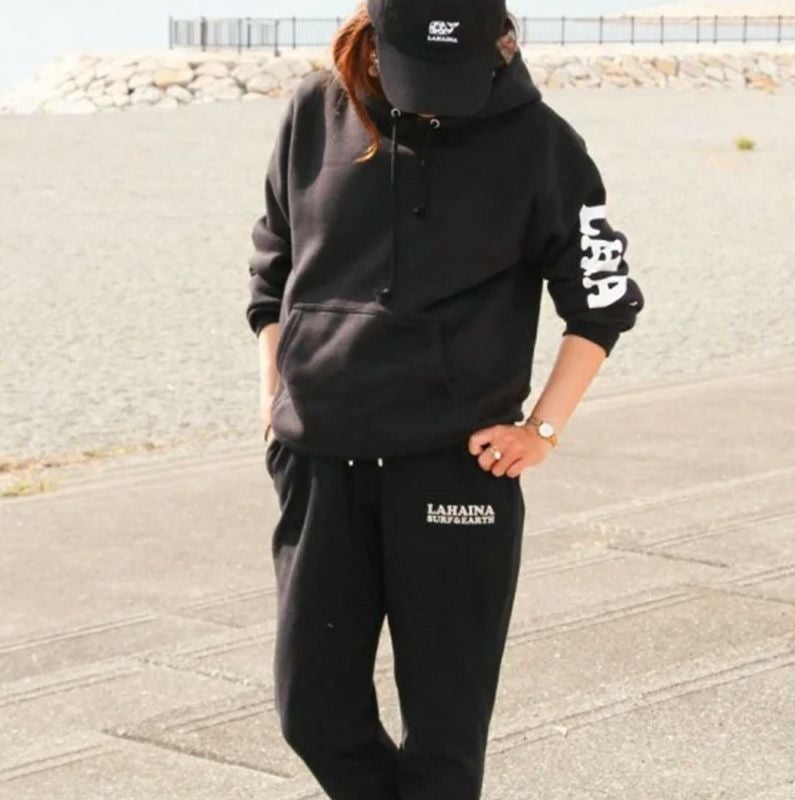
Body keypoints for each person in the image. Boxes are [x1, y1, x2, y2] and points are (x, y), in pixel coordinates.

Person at [245, 0, 645, 797]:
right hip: (321, 462)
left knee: (444, 742)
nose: (434, 94)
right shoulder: (312, 112)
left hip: (455, 470)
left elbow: (602, 301)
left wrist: (543, 430)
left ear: (497, 44)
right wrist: (274, 392)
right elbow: (273, 265)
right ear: (372, 35)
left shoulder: (542, 143)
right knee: (312, 713)